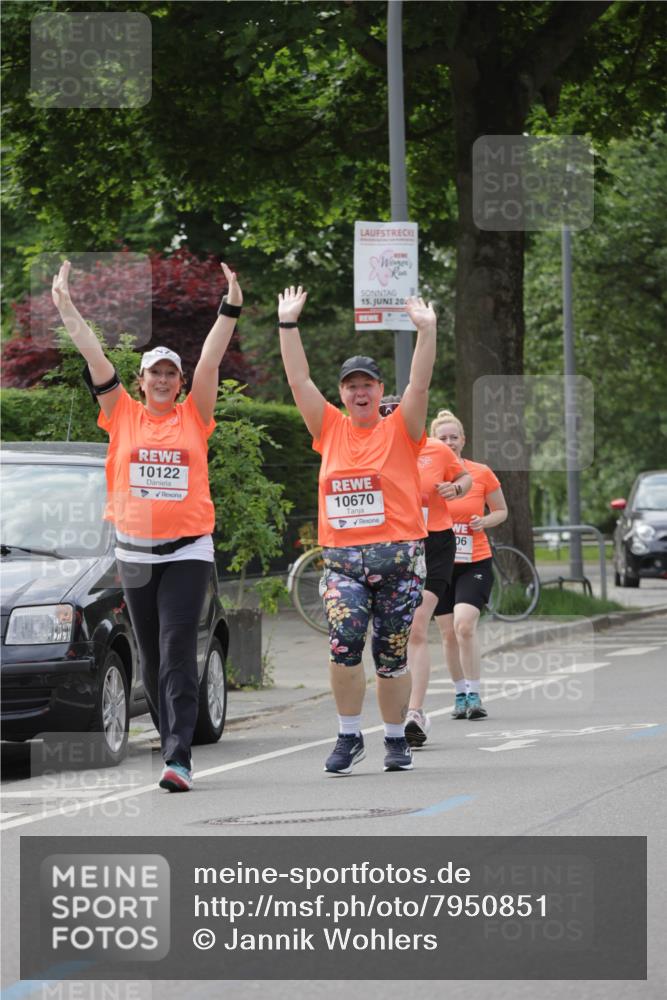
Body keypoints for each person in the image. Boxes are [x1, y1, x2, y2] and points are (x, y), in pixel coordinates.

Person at [51, 258, 243, 791]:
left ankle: (178, 756)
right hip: (135, 554)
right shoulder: (122, 414)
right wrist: (67, 307)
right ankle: (169, 738)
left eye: (170, 373)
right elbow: (93, 354)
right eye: (154, 372)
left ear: (179, 383)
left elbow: (210, 359)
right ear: (140, 381)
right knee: (153, 653)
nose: (163, 379)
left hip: (187, 551)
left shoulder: (194, 415)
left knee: (179, 647)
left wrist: (229, 307)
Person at [277, 284, 437, 774]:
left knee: (390, 655)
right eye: (351, 386)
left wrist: (427, 331)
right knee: (344, 642)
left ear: (379, 389)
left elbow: (420, 385)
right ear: (343, 393)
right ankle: (349, 736)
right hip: (344, 561)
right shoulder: (329, 428)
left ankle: (393, 739)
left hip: (398, 561)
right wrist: (287, 324)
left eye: (367, 384)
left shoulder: (401, 427)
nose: (360, 392)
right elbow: (300, 380)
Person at [394, 402, 472, 747]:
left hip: (436, 543)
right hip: (395, 545)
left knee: (417, 624)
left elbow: (464, 477)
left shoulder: (436, 450)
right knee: (396, 631)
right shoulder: (380, 450)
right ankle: (397, 704)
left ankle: (414, 712)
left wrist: (456, 489)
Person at [431, 410, 508, 720]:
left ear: (463, 440)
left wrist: (483, 521)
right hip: (438, 563)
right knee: (448, 633)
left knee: (464, 625)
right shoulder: (426, 474)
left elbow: (501, 510)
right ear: (433, 442)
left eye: (453, 437)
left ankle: (474, 693)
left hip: (474, 559)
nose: (449, 442)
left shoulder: (480, 472)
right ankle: (460, 692)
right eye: (442, 438)